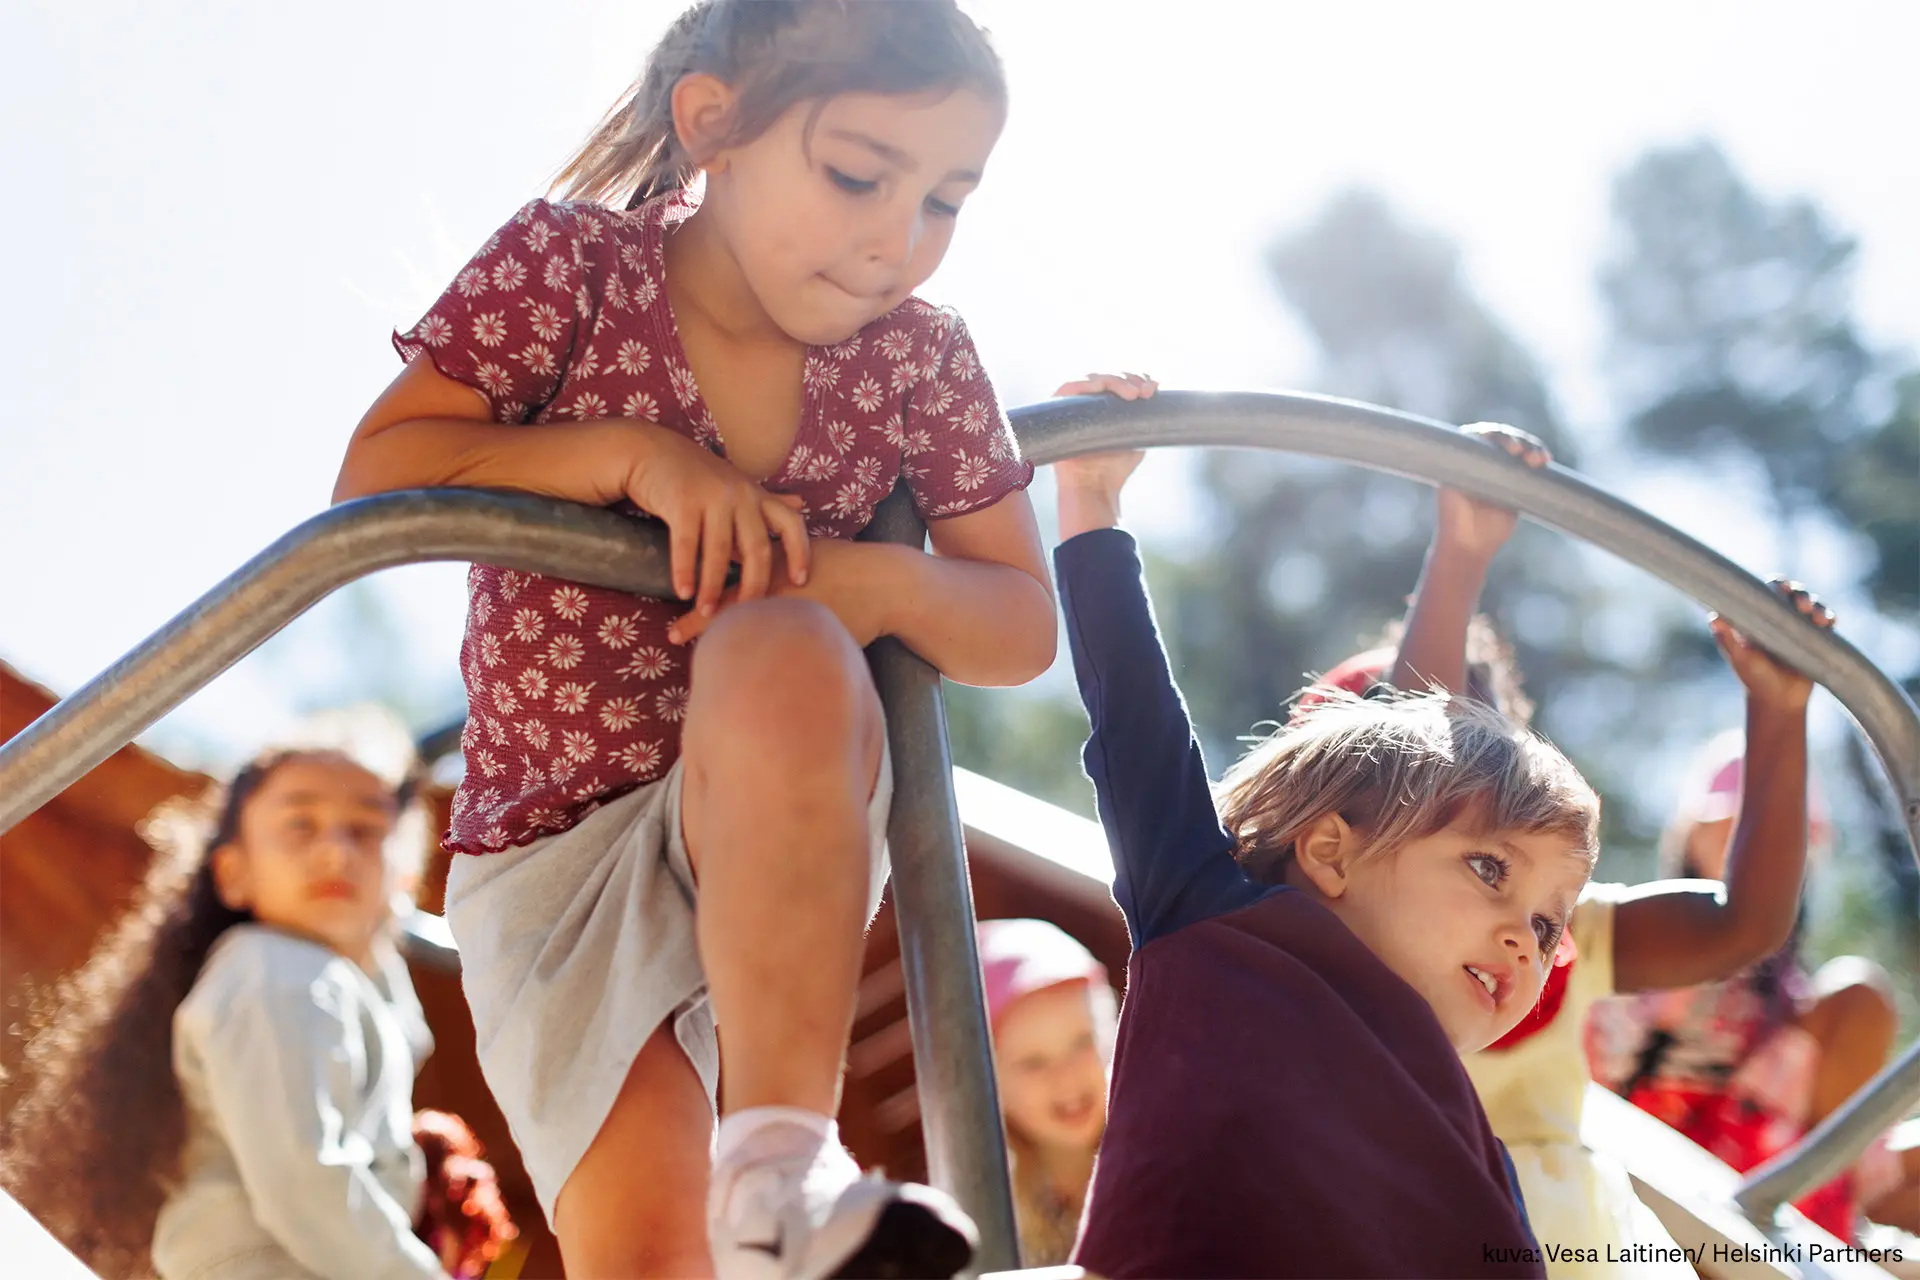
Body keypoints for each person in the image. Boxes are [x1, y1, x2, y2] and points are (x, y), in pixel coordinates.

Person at [330, 4, 1054, 1275]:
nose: (900, 239)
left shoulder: (920, 358)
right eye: (856, 174)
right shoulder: (570, 268)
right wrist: (626, 455)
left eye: (946, 200)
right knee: (650, 1250)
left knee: (776, 640)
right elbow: (376, 481)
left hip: (777, 814)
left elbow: (1017, 620)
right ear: (712, 123)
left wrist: (853, 582)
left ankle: (782, 1155)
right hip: (550, 852)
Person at [1049, 436, 1600, 1278]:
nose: (1526, 940)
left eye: (1545, 921)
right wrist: (1092, 505)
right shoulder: (1213, 919)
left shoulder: (1478, 1155)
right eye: (1490, 870)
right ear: (1331, 853)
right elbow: (1136, 724)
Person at [1368, 426, 1845, 1271]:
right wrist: (1461, 553)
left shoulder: (1567, 934)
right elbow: (1408, 772)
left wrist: (1777, 711)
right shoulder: (1347, 941)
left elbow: (1743, 924)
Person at [0, 730, 510, 1280]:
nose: (335, 850)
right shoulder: (274, 968)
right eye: (299, 825)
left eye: (365, 829)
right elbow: (304, 1178)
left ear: (407, 879)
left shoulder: (349, 982)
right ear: (233, 873)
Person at [1586, 728, 1901, 1242]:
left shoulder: (1819, 1020)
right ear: (1689, 839)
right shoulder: (1618, 956)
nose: (1749, 851)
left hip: (1767, 1217)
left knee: (1859, 998)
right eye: (1727, 828)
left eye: (1777, 837)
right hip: (1634, 1187)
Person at [976, 916, 1116, 1267]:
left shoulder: (1153, 1154)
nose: (1066, 1078)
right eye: (1033, 1063)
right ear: (991, 1083)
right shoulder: (993, 1206)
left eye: (1083, 1042)